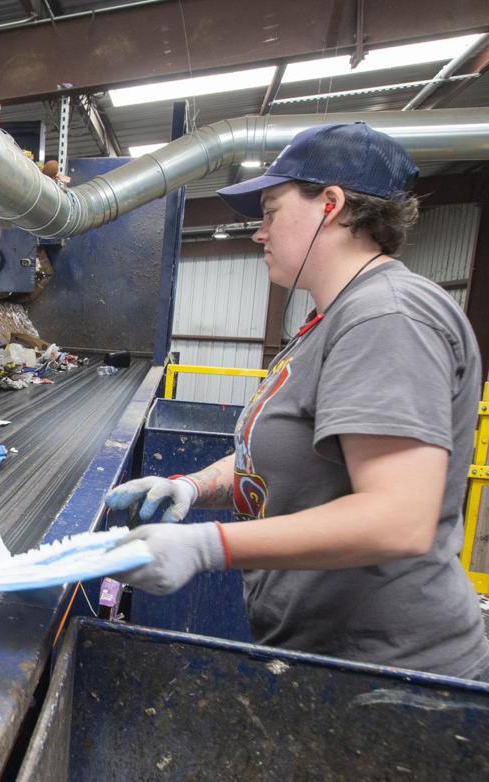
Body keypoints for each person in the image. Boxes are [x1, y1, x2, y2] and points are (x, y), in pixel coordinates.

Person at [105, 122, 489, 681]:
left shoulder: (387, 317)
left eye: (270, 211)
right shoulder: (329, 320)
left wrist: (206, 546)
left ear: (330, 205)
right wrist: (191, 487)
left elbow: (399, 520)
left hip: (393, 677)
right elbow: (289, 461)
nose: (259, 233)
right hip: (329, 660)